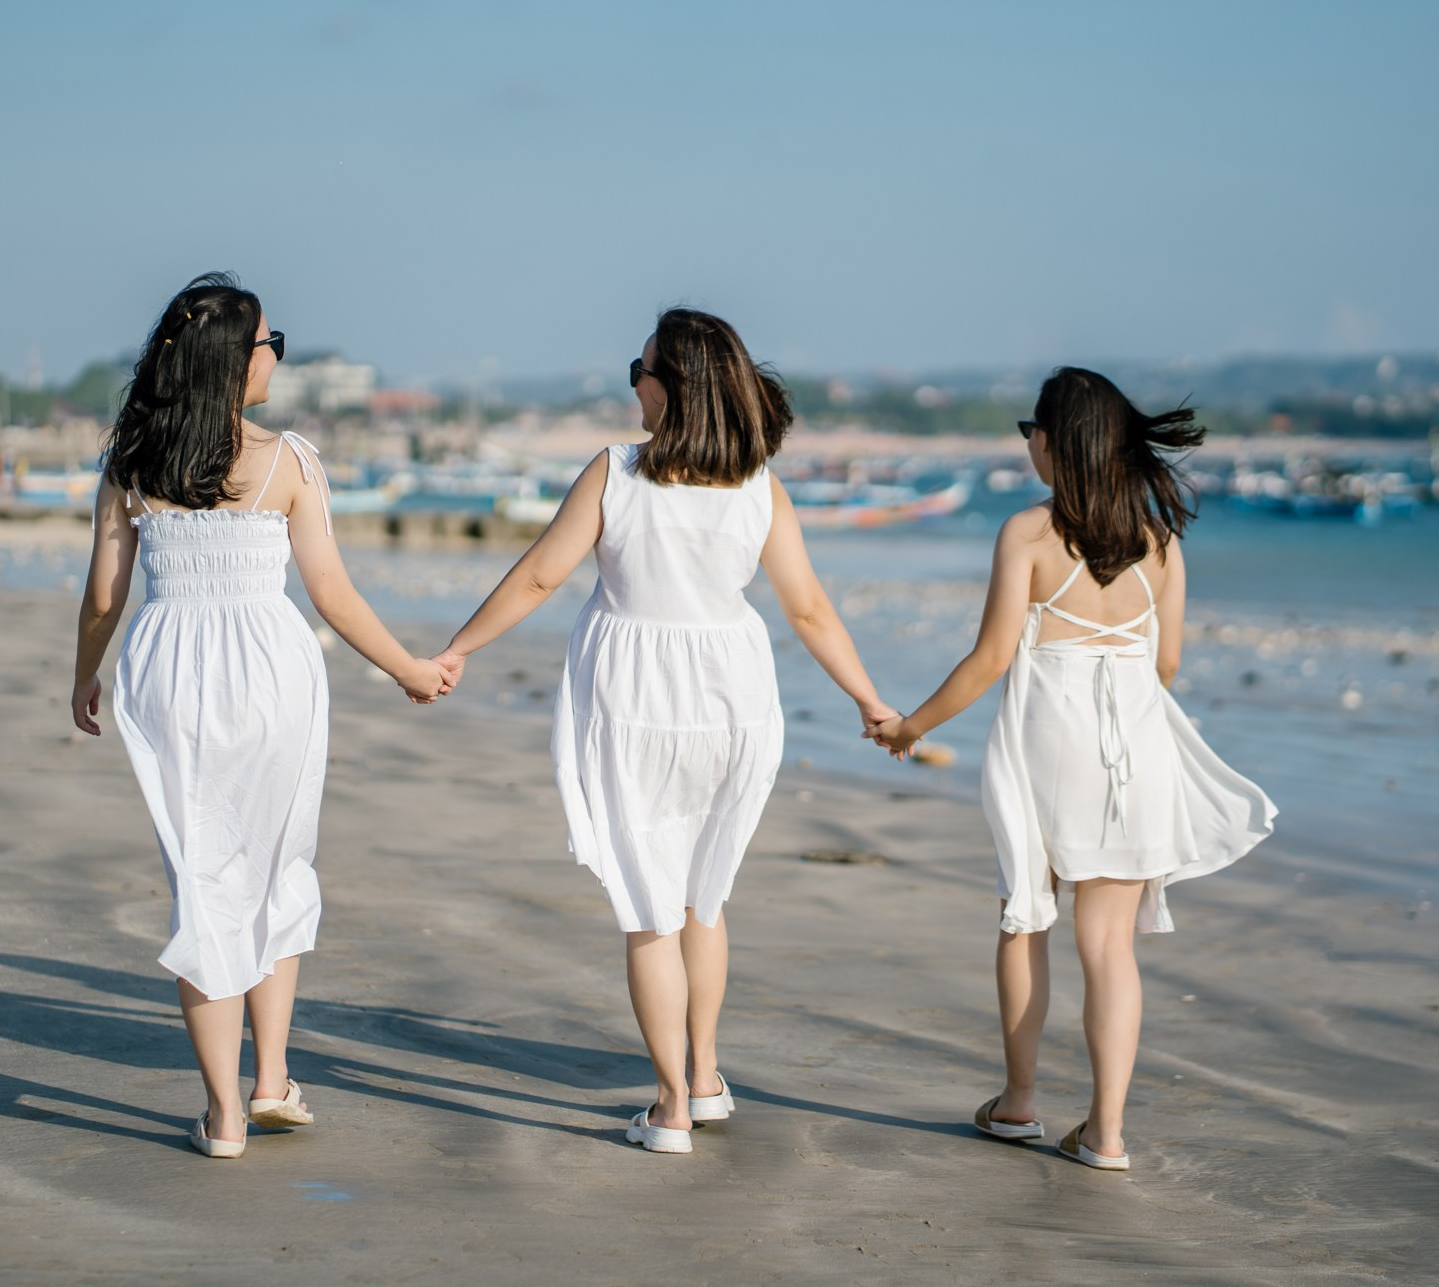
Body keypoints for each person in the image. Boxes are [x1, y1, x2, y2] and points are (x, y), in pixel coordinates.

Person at [429, 309, 896, 1154]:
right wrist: (869, 699)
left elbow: (539, 575)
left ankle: (671, 1105)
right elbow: (810, 609)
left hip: (633, 697)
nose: (633, 383)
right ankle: (707, 1075)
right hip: (732, 699)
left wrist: (458, 647)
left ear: (672, 386)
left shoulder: (615, 472)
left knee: (650, 911)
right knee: (702, 900)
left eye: (638, 368)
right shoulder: (760, 484)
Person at [70, 272, 451, 1159]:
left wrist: (84, 676)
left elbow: (103, 595)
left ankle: (226, 1115)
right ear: (235, 362)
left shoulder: (132, 460)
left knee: (205, 881)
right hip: (275, 672)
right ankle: (272, 1078)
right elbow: (332, 594)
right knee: (280, 863)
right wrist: (409, 670)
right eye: (271, 343)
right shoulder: (288, 460)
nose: (280, 354)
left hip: (169, 673)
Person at [872, 366, 1274, 1172]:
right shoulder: (1160, 543)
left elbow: (989, 660)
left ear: (1055, 444)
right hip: (1135, 754)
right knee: (1109, 946)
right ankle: (1107, 1133)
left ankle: (1018, 1103)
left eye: (1031, 433)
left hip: (1048, 746)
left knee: (1026, 915)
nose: (1028, 445)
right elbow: (1166, 666)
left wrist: (911, 724)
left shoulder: (1027, 535)